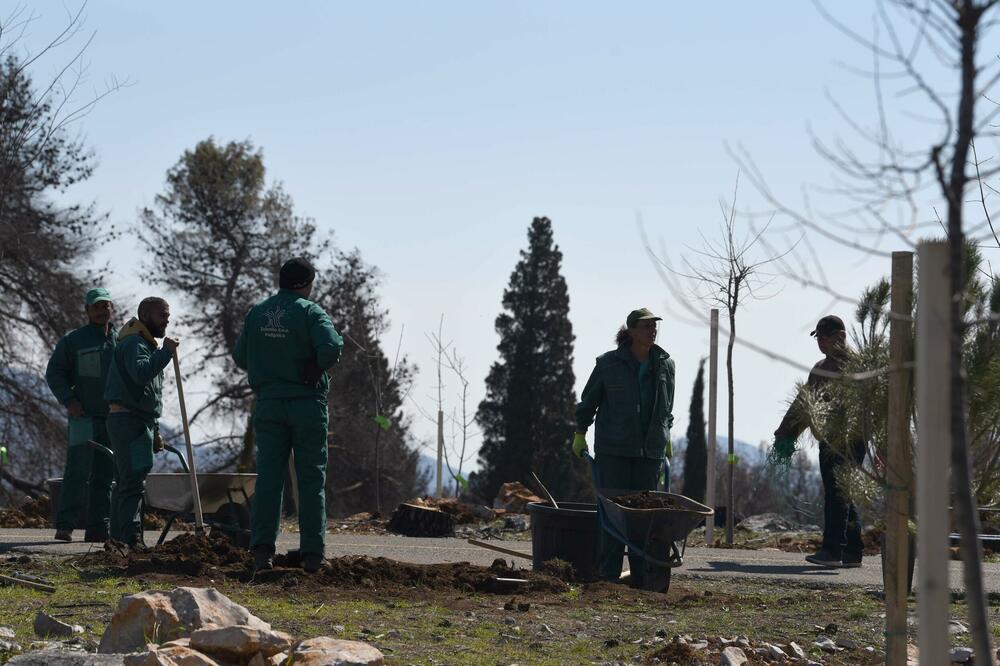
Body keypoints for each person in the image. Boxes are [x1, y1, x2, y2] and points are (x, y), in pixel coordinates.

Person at [233, 257, 344, 574]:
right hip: (306, 404)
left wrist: (270, 369)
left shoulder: (257, 313)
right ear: (307, 283)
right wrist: (312, 368)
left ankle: (262, 552)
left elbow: (241, 355)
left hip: (268, 404)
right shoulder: (310, 312)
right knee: (310, 479)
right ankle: (312, 554)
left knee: (268, 479)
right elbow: (331, 348)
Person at [573, 308, 676, 589]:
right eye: (646, 326)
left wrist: (665, 435)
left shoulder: (666, 365)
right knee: (614, 516)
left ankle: (643, 579)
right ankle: (608, 578)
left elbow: (667, 408)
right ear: (630, 330)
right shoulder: (608, 364)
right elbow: (588, 402)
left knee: (646, 519)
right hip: (613, 451)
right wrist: (580, 433)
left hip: (649, 454)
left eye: (654, 326)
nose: (652, 331)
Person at [773, 314, 865, 568]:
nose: (820, 343)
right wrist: (785, 431)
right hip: (830, 441)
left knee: (837, 496)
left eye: (824, 338)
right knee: (843, 494)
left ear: (840, 337)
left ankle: (832, 551)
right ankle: (853, 551)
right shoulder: (822, 369)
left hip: (850, 441)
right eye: (819, 339)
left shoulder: (856, 368)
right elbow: (804, 404)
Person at [45, 288, 118, 542]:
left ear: (112, 309)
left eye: (105, 306)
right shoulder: (74, 340)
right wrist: (70, 401)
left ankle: (98, 528)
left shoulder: (121, 341)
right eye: (96, 307)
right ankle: (65, 526)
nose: (101, 311)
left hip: (112, 419)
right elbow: (54, 373)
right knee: (77, 472)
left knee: (105, 475)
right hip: (83, 418)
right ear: (87, 311)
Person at [104, 297, 178, 547]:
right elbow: (141, 375)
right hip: (128, 421)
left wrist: (155, 430)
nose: (167, 319)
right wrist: (166, 353)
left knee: (127, 481)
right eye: (162, 315)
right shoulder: (135, 343)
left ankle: (117, 540)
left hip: (139, 421)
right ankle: (130, 538)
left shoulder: (145, 345)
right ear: (145, 315)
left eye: (167, 315)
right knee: (133, 481)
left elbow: (149, 397)